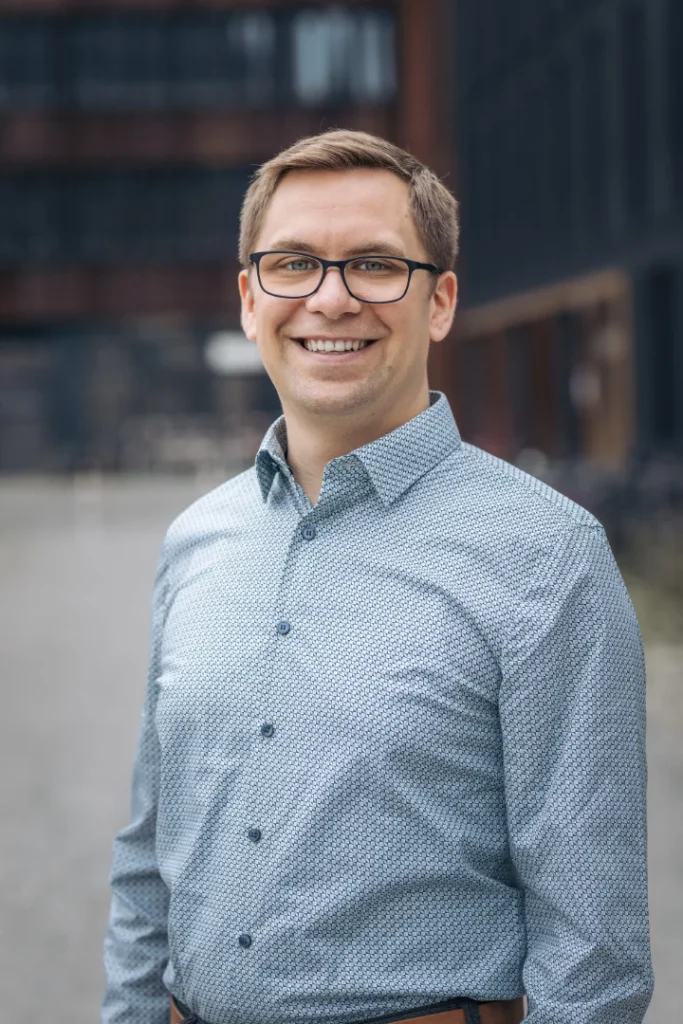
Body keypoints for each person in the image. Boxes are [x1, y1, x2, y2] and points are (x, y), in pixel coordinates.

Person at [100, 130, 653, 1024]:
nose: (330, 297)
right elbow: (147, 856)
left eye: (373, 265)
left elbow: (590, 943)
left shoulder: (547, 555)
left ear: (439, 302)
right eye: (293, 264)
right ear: (250, 300)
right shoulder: (196, 540)